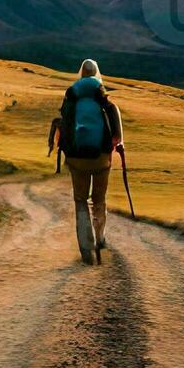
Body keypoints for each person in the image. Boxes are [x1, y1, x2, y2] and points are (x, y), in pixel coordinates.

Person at [58, 59, 124, 264]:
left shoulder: (71, 95)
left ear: (81, 73)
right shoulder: (100, 93)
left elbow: (64, 122)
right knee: (99, 199)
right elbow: (114, 118)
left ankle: (85, 247)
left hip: (76, 157)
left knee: (80, 200)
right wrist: (117, 142)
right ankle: (100, 237)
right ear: (96, 73)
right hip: (101, 158)